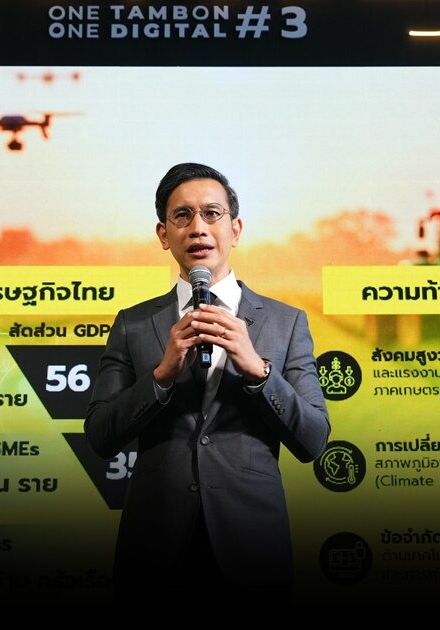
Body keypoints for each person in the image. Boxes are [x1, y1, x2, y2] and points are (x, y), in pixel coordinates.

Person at [85, 163, 331, 599]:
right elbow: (100, 435)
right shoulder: (133, 324)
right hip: (153, 551)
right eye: (182, 216)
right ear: (164, 234)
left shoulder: (286, 322)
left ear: (235, 229)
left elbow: (313, 440)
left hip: (253, 548)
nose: (198, 227)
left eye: (212, 213)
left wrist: (258, 370)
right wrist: (161, 376)